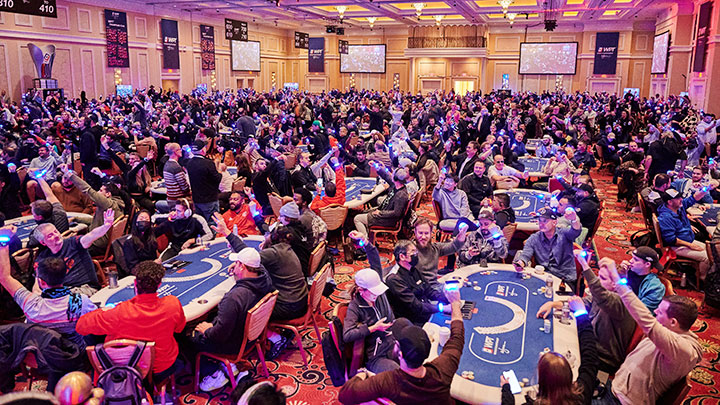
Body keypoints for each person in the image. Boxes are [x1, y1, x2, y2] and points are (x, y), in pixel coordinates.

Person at [593, 257, 703, 405]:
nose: (655, 310)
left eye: (661, 312)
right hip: (613, 387)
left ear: (673, 322)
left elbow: (646, 319)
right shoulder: (671, 333)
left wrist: (616, 278)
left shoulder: (681, 349)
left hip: (620, 401)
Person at [338, 286, 464, 404]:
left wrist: (363, 373)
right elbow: (457, 337)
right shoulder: (444, 368)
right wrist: (455, 304)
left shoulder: (388, 381)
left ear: (400, 353)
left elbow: (344, 395)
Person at [76, 261, 186, 382]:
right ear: (159, 284)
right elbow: (179, 328)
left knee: (92, 338)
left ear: (135, 283)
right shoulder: (173, 303)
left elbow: (80, 326)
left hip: (128, 369)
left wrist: (103, 311)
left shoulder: (119, 313)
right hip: (164, 367)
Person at [189, 248, 274, 391]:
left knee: (187, 336)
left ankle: (214, 372)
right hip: (251, 339)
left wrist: (207, 330)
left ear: (242, 266)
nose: (234, 266)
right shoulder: (265, 281)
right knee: (211, 316)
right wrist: (238, 272)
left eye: (237, 263)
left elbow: (219, 335)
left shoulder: (233, 298)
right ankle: (230, 367)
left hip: (234, 344)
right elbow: (262, 270)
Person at [0, 234, 96, 348]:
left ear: (41, 282)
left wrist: (3, 244)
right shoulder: (80, 301)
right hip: (76, 358)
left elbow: (4, 277)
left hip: (42, 358)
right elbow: (96, 323)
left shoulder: (30, 303)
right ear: (65, 275)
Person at [502, 296, 597, 405]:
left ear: (541, 382)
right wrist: (582, 313)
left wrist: (506, 388)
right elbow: (590, 357)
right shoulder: (581, 396)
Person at [34, 209, 116, 296]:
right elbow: (37, 284)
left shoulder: (74, 243)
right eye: (50, 235)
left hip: (85, 288)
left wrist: (105, 226)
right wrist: (36, 295)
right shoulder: (42, 258)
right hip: (61, 292)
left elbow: (92, 235)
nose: (56, 236)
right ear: (43, 242)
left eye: (56, 232)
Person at [343, 268, 399, 373]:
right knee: (395, 372)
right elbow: (347, 335)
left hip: (391, 342)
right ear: (361, 290)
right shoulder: (355, 306)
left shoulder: (380, 296)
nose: (377, 295)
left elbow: (391, 318)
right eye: (373, 292)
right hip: (375, 354)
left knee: (411, 357)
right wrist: (373, 328)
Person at [383, 239, 449, 325]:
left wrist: (448, 299)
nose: (416, 255)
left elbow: (429, 291)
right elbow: (415, 306)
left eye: (416, 252)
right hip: (412, 322)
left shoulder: (412, 269)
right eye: (413, 252)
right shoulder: (394, 279)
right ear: (402, 256)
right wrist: (442, 308)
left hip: (426, 312)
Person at [513, 207, 582, 288]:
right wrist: (520, 263)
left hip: (565, 278)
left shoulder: (564, 233)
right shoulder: (534, 238)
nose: (541, 224)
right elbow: (525, 255)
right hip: (543, 276)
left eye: (545, 221)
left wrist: (574, 219)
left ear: (554, 222)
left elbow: (576, 231)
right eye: (540, 221)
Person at [62, 169, 125, 257]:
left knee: (67, 248)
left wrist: (70, 175)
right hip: (102, 242)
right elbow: (94, 220)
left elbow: (87, 190)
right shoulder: (116, 202)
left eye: (100, 190)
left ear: (108, 194)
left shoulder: (107, 204)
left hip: (97, 245)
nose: (98, 192)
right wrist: (76, 218)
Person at [657, 188, 712, 280]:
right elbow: (671, 239)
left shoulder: (678, 207)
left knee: (712, 251)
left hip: (688, 240)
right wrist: (690, 245)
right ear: (670, 202)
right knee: (707, 257)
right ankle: (702, 280)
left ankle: (700, 273)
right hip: (677, 247)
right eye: (678, 198)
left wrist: (707, 188)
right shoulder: (665, 217)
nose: (681, 199)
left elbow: (693, 198)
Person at [354, 165, 410, 238]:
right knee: (363, 212)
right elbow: (387, 177)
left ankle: (364, 240)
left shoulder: (401, 195)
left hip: (386, 220)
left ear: (396, 178)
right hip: (383, 212)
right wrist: (378, 168)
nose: (391, 175)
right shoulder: (396, 186)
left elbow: (396, 213)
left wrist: (380, 213)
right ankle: (369, 237)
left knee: (357, 218)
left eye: (393, 174)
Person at [410, 218, 467, 284]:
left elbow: (454, 246)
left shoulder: (435, 248)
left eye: (426, 233)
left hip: (433, 286)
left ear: (431, 233)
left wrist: (462, 233)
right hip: (416, 287)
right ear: (415, 232)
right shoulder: (408, 250)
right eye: (420, 233)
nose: (423, 237)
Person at [25, 172, 70, 248]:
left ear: (39, 217)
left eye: (33, 213)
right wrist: (39, 178)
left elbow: (30, 245)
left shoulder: (39, 233)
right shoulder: (60, 213)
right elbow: (49, 194)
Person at [186, 139, 222, 225]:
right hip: (209, 199)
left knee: (201, 224)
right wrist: (219, 169)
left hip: (196, 199)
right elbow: (217, 179)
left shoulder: (189, 163)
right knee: (212, 223)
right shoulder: (208, 164)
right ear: (203, 150)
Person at [118, 210, 158, 277]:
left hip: (152, 270)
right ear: (136, 222)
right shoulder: (129, 242)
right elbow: (133, 267)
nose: (144, 221)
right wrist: (152, 265)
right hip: (139, 274)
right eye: (141, 219)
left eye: (147, 219)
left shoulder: (151, 237)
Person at [157, 143, 191, 213]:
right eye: (179, 149)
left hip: (171, 199)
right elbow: (184, 187)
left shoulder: (167, 164)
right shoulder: (175, 167)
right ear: (175, 151)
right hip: (178, 200)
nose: (181, 151)